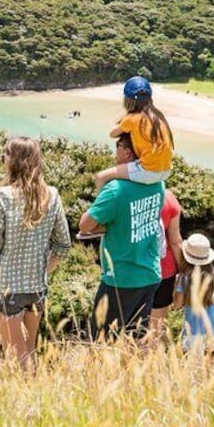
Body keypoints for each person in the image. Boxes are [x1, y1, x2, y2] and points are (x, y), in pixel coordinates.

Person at [0, 137, 71, 371]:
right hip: (36, 288)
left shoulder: (3, 196)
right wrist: (43, 271)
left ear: (14, 161)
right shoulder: (52, 195)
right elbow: (63, 246)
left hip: (4, 288)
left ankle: (32, 402)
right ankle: (33, 397)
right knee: (28, 348)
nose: (3, 159)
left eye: (6, 155)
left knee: (16, 355)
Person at [79, 140, 165, 341]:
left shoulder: (116, 189)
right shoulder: (158, 183)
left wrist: (110, 223)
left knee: (99, 343)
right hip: (150, 273)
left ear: (127, 152)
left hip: (121, 277)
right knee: (134, 343)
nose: (114, 150)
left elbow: (85, 225)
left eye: (118, 146)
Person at [95, 76, 174, 190]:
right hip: (166, 170)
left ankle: (103, 207)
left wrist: (124, 119)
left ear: (128, 101)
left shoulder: (132, 118)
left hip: (149, 172)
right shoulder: (158, 117)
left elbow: (112, 134)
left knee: (101, 177)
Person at [173, 233, 214, 353]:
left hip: (193, 331)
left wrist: (175, 287)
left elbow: (178, 304)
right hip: (213, 329)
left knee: (194, 369)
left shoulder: (185, 277)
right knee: (209, 365)